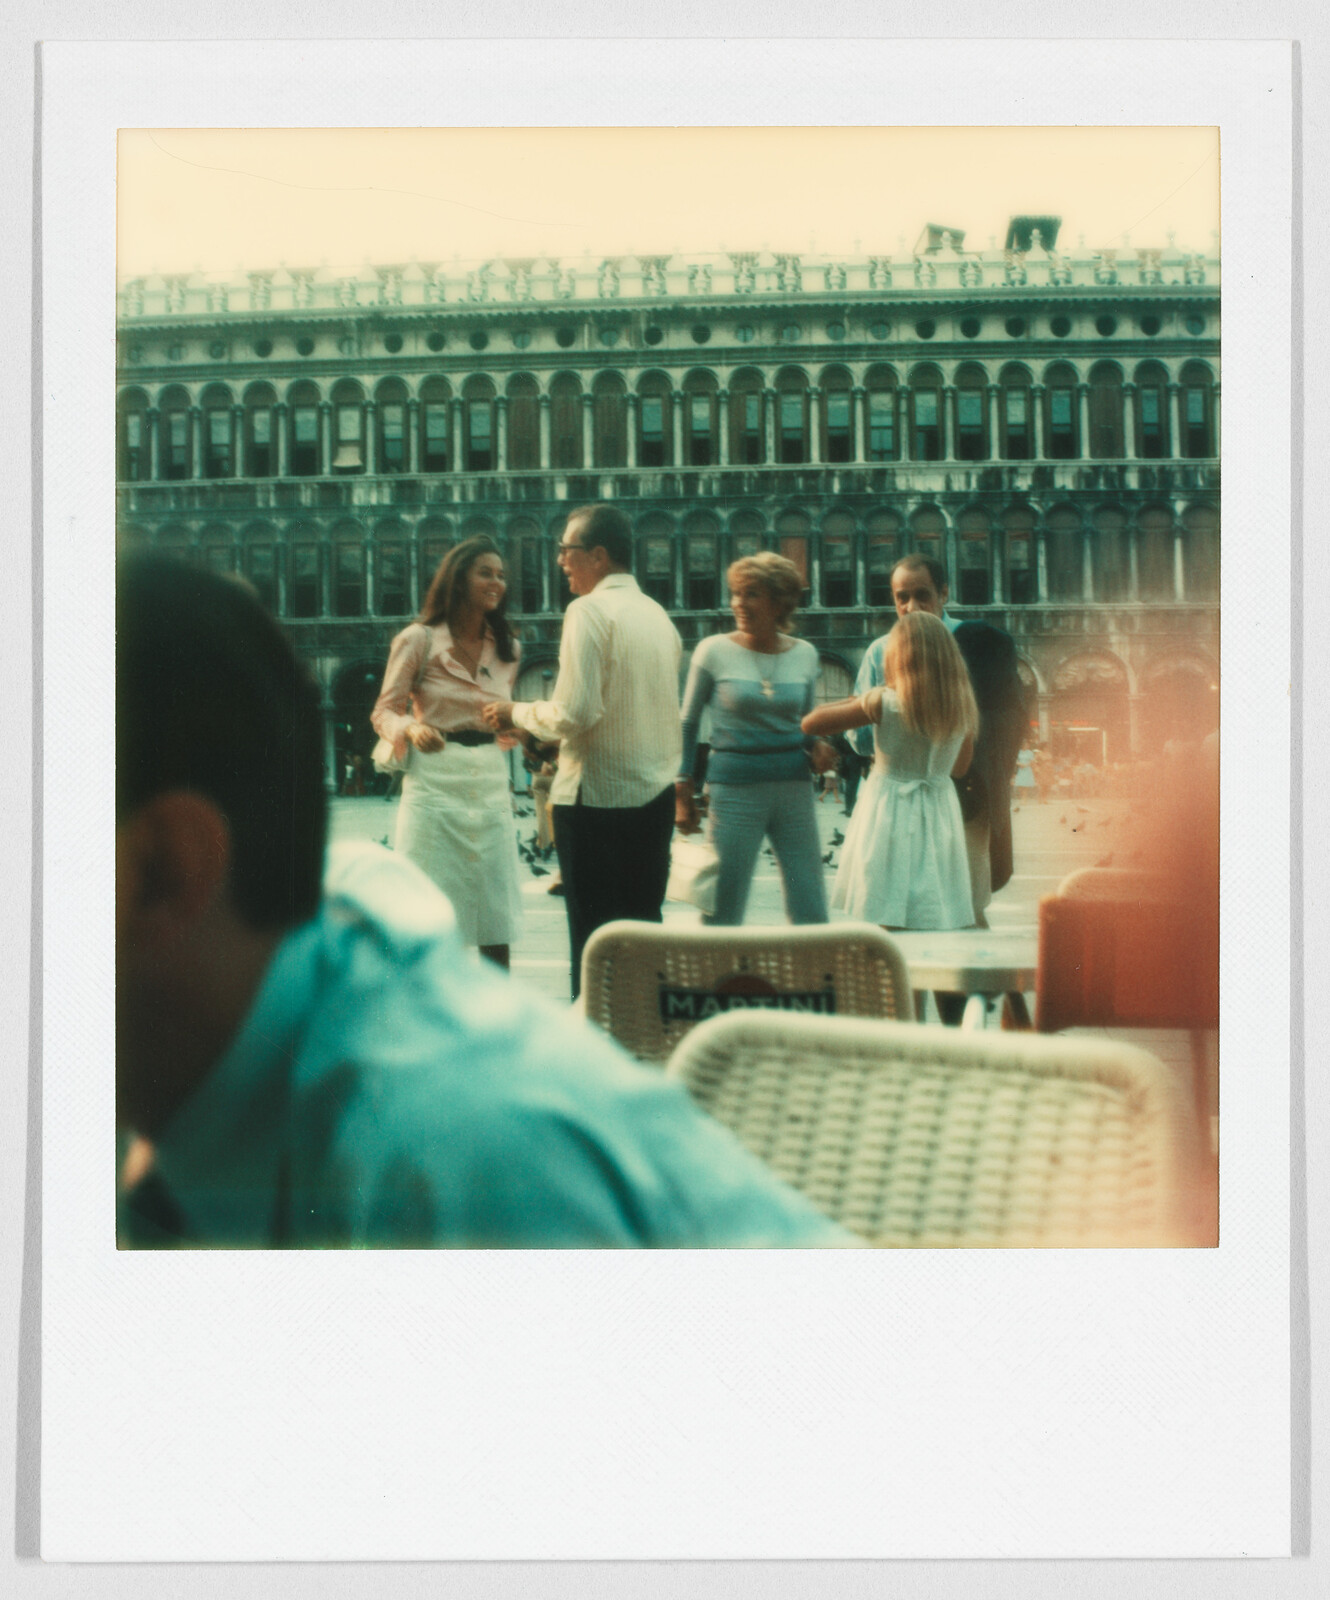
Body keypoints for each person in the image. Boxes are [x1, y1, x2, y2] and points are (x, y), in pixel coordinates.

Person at [115, 553, 857, 1250]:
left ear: (165, 869)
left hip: (515, 788)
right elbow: (389, 711)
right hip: (448, 784)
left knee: (500, 914)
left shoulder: (449, 1172)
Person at [483, 504, 683, 999]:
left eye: (566, 550)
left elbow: (575, 712)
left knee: (594, 947)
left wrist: (516, 713)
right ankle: (642, 1037)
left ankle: (595, 1041)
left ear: (597, 555)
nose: (560, 561)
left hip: (596, 802)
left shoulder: (588, 610)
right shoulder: (658, 616)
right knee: (642, 936)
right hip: (652, 797)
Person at [371, 536, 523, 968]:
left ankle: (496, 1013)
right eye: (486, 573)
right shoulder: (418, 639)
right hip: (435, 782)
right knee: (428, 907)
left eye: (501, 575)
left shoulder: (508, 649)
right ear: (458, 580)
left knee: (495, 912)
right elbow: (383, 710)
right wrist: (412, 727)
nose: (497, 582)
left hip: (490, 780)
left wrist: (519, 727)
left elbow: (506, 724)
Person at [853, 554, 1025, 926]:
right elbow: (859, 739)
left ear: (944, 592)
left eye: (922, 595)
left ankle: (964, 983)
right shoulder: (879, 652)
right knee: (892, 908)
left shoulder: (982, 643)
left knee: (965, 904)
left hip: (963, 799)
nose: (912, 607)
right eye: (902, 597)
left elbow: (1010, 720)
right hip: (897, 808)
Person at [675, 554, 834, 927]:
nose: (738, 604)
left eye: (751, 594)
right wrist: (683, 789)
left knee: (809, 902)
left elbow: (807, 725)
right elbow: (687, 721)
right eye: (735, 594)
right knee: (722, 906)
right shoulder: (713, 650)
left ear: (780, 602)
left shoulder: (805, 654)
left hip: (793, 789)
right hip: (733, 791)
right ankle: (717, 984)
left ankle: (810, 982)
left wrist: (819, 748)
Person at [805, 611, 977, 931]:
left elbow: (811, 722)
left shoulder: (883, 702)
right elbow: (961, 767)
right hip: (939, 810)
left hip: (888, 810)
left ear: (897, 657)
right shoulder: (962, 708)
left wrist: (858, 700)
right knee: (931, 908)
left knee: (884, 904)